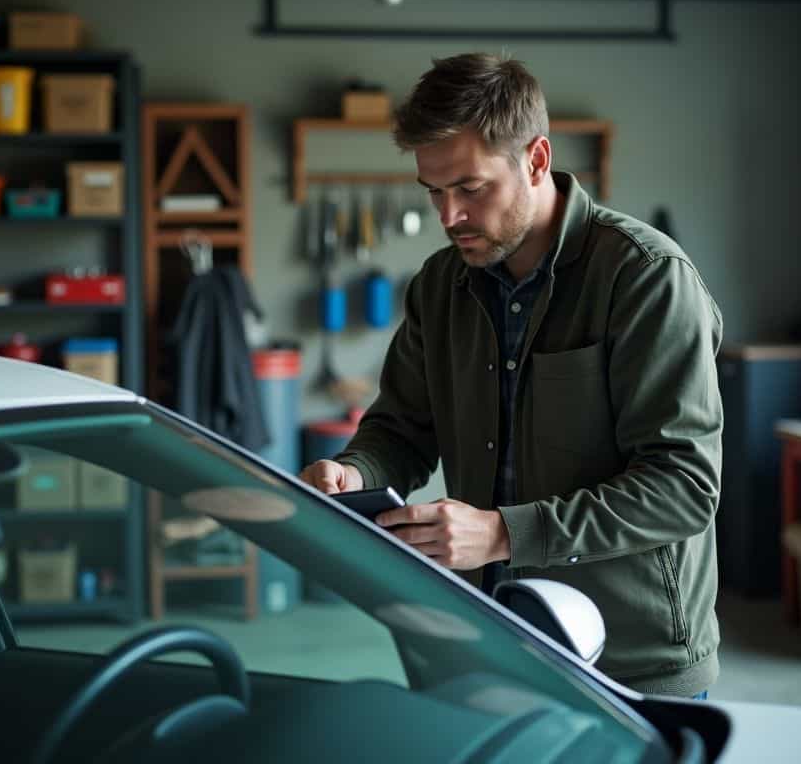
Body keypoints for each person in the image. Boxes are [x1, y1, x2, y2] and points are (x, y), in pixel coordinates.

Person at [298, 53, 724, 698]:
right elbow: (404, 431)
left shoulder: (645, 277)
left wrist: (501, 534)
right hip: (490, 635)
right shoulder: (439, 286)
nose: (449, 216)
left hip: (629, 655)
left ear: (536, 159)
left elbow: (683, 486)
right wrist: (356, 470)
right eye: (433, 191)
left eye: (470, 188)